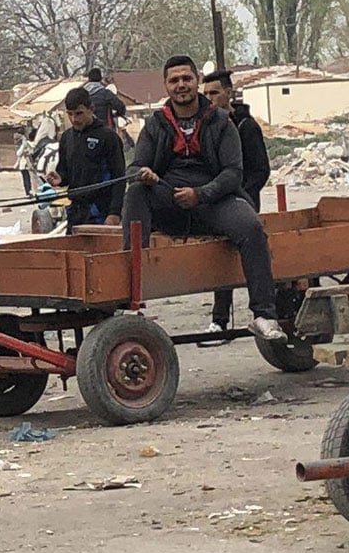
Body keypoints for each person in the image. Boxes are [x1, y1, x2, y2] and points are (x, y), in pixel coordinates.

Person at [121, 55, 286, 341]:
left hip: (214, 200)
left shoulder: (221, 122)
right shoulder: (155, 124)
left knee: (251, 227)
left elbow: (234, 173)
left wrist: (201, 194)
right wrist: (142, 173)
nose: (181, 85)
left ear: (197, 80)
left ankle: (264, 315)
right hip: (168, 198)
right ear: (166, 85)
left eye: (186, 78)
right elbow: (135, 166)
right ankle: (129, 302)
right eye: (174, 80)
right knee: (135, 193)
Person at [201, 68, 271, 338]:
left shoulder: (246, 127)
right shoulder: (209, 127)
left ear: (228, 93)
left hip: (243, 204)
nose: (210, 98)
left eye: (215, 92)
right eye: (205, 94)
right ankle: (219, 320)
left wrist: (241, 195)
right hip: (217, 203)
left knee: (250, 255)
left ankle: (264, 312)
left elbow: (260, 170)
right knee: (221, 260)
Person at [46, 87, 126, 232]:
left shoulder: (108, 137)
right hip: (75, 212)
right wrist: (60, 178)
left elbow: (119, 178)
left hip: (100, 212)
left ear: (91, 109)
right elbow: (64, 171)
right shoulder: (66, 137)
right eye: (70, 114)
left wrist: (114, 213)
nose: (74, 119)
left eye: (79, 113)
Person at [15, 129, 37, 196]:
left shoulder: (26, 143)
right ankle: (31, 191)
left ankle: (29, 191)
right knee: (30, 178)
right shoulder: (33, 144)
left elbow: (19, 153)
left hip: (26, 164)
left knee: (27, 179)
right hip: (30, 164)